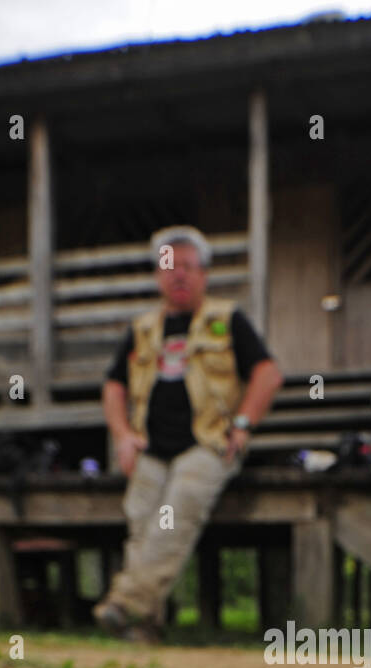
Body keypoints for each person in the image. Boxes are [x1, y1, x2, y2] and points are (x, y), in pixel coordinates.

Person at [93, 226, 283, 641]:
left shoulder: (227, 320)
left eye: (188, 267)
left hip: (209, 445)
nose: (179, 275)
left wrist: (244, 424)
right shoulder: (143, 328)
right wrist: (123, 434)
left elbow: (267, 374)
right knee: (142, 518)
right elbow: (113, 386)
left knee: (177, 507)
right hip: (152, 447)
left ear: (204, 275)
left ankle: (125, 602)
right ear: (158, 276)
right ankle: (143, 626)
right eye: (169, 267)